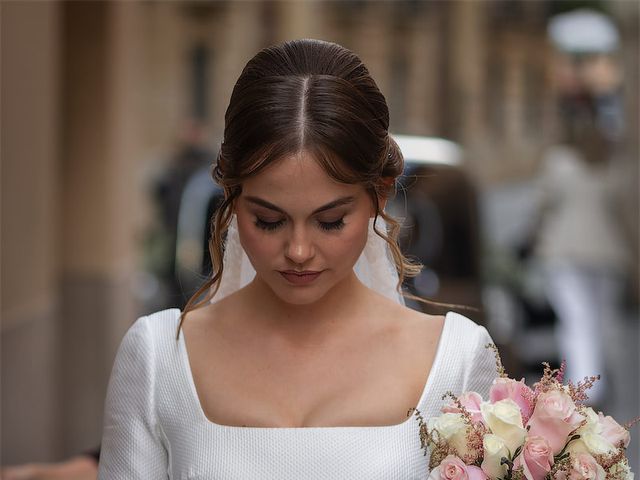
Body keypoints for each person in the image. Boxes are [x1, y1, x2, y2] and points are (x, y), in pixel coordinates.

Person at [97, 39, 498, 479]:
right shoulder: (158, 358)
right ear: (231, 197)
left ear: (379, 195)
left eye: (330, 221)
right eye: (269, 221)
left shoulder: (456, 360)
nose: (299, 252)